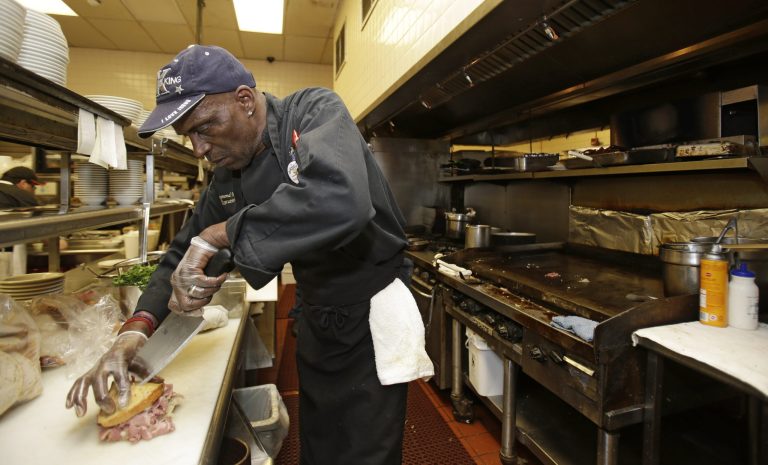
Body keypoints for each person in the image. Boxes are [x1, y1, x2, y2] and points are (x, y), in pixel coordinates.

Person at [66, 45, 432, 465]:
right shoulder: (228, 175)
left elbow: (340, 199)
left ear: (244, 100)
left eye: (205, 126)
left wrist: (222, 234)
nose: (199, 148)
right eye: (189, 136)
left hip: (370, 314)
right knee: (320, 442)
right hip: (317, 315)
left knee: (366, 451)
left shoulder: (312, 111)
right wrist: (134, 332)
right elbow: (183, 250)